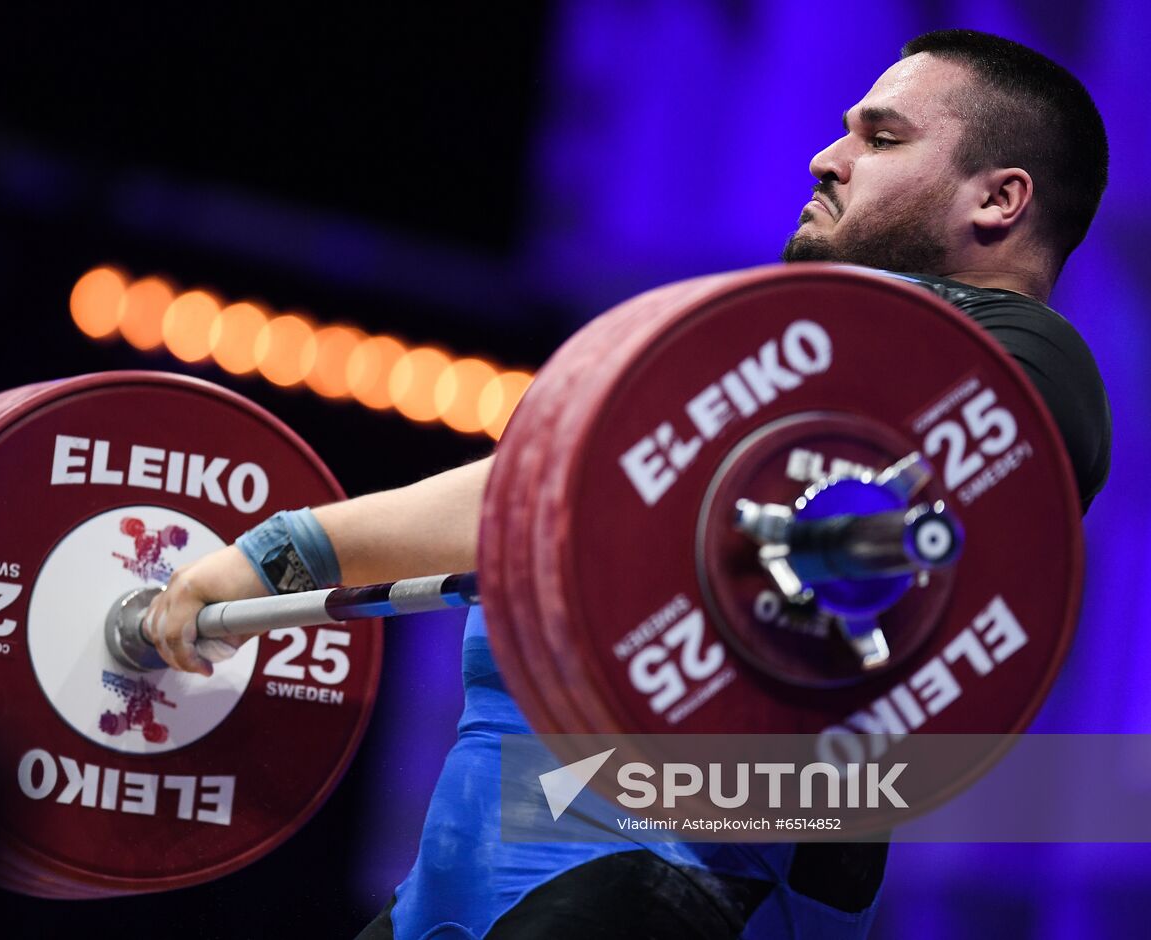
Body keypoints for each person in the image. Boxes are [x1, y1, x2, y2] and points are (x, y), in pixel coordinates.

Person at [144, 29, 1111, 939]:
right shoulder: (762, 348)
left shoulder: (1021, 362)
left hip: (684, 874)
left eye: (881, 138)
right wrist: (279, 557)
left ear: (999, 200)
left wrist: (283, 549)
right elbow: (536, 491)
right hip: (462, 874)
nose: (826, 157)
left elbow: (584, 490)